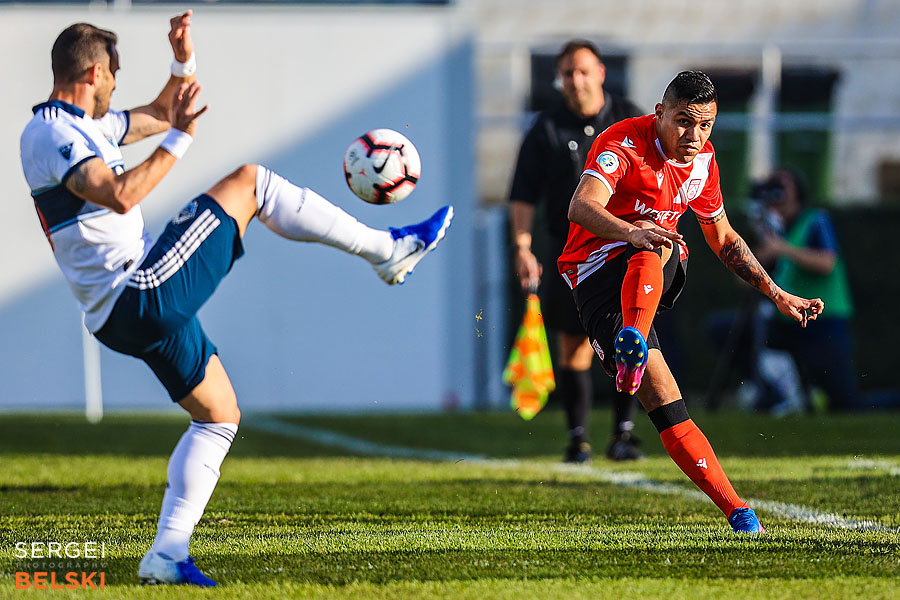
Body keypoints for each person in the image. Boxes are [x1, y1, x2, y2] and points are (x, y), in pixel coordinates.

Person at [20, 13, 453, 586]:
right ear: (95, 73)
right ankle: (386, 249)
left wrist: (182, 60)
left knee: (219, 414)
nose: (116, 87)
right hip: (137, 290)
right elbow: (120, 194)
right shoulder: (51, 132)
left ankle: (166, 555)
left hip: (122, 308)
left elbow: (160, 112)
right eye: (114, 76)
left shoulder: (82, 126)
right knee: (252, 182)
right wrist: (180, 140)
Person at [557, 71, 824, 533]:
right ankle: (737, 510)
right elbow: (580, 207)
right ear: (659, 113)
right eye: (683, 121)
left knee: (659, 240)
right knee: (664, 399)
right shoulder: (622, 142)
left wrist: (777, 293)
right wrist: (631, 231)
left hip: (648, 269)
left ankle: (738, 509)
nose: (694, 136)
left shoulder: (704, 161)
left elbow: (724, 239)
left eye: (705, 125)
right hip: (594, 274)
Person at [509, 40, 644, 463]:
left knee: (631, 340)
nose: (575, 80)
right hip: (571, 254)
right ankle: (578, 440)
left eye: (583, 71)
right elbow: (523, 194)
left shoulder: (629, 118)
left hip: (624, 248)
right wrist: (522, 247)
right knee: (574, 345)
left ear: (601, 72)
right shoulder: (546, 128)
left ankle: (623, 435)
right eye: (567, 73)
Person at [753, 168, 857, 411]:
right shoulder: (775, 228)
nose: (776, 192)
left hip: (824, 320)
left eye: (782, 186)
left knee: (845, 403)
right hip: (792, 321)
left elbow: (827, 262)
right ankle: (776, 396)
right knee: (736, 332)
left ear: (798, 191)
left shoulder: (815, 221)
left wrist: (782, 249)